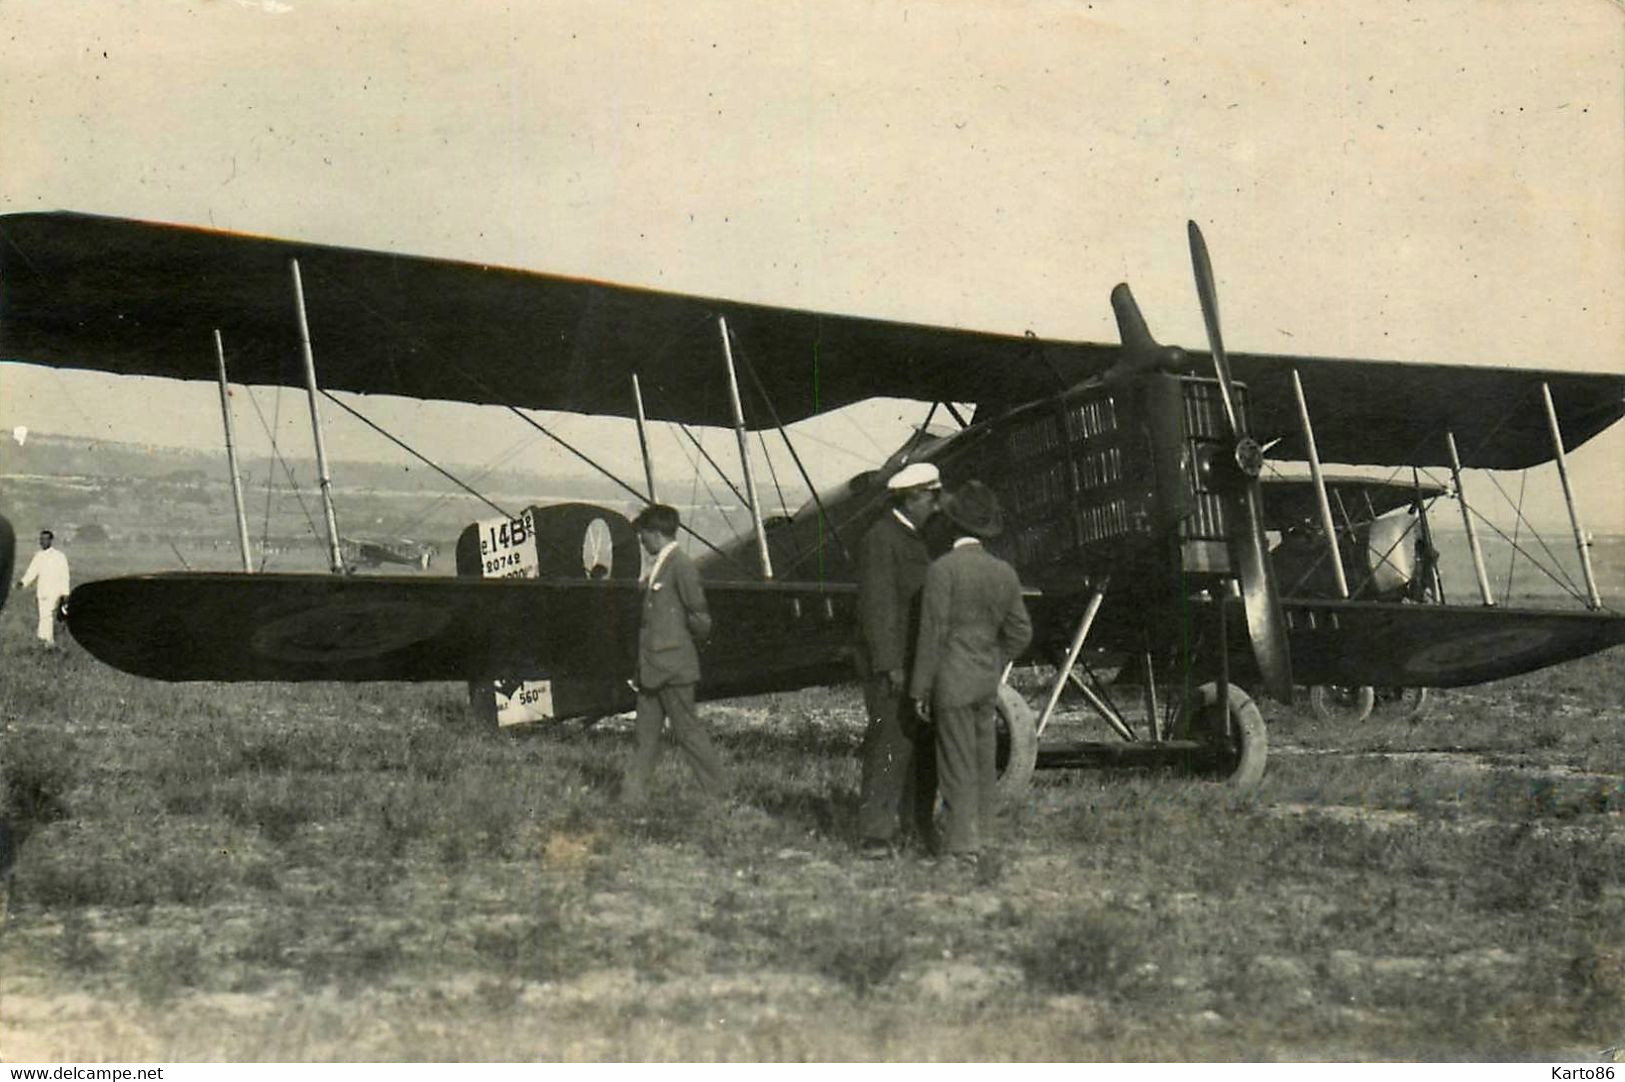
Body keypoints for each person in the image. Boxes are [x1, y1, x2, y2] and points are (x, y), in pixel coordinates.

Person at [910, 481, 1032, 866]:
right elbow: (1020, 632)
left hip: (951, 682)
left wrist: (920, 688)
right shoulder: (1004, 573)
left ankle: (961, 846)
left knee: (955, 764)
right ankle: (984, 837)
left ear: (953, 526)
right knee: (982, 762)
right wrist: (994, 661)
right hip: (985, 683)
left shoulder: (942, 570)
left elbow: (932, 633)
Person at [853, 461, 942, 857]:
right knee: (889, 745)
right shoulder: (881, 539)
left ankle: (913, 826)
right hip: (893, 666)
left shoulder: (911, 538)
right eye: (931, 498)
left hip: (914, 664)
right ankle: (875, 834)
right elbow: (878, 608)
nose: (935, 506)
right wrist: (890, 666)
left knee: (918, 747)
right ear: (910, 498)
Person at [621, 504, 728, 804]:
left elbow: (700, 617)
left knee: (688, 733)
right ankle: (631, 798)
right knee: (644, 736)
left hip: (672, 670)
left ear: (656, 534)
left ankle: (718, 793)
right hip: (653, 670)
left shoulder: (680, 565)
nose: (641, 541)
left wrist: (678, 648)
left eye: (643, 534)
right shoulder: (664, 564)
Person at [17, 529, 70, 649]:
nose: (43, 542)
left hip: (55, 591)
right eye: (41, 539)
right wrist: (23, 582)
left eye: (45, 539)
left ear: (51, 540)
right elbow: (32, 572)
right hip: (42, 591)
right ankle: (43, 639)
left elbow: (65, 575)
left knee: (48, 615)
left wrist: (66, 593)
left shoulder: (59, 556)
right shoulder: (38, 556)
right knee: (43, 614)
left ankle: (48, 641)